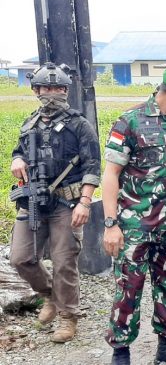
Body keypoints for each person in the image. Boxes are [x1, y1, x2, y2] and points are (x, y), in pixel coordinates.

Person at [102, 65, 166, 365]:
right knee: (128, 288)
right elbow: (111, 175)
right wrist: (111, 224)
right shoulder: (130, 121)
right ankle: (121, 351)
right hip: (136, 225)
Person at [9, 62, 101, 343]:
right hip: (34, 200)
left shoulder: (79, 125)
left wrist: (85, 202)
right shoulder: (30, 123)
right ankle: (50, 295)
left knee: (64, 262)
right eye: (46, 87)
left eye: (58, 88)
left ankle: (68, 316)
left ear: (66, 90)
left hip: (66, 203)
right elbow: (18, 150)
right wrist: (17, 159)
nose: (52, 93)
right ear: (35, 90)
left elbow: (93, 164)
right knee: (20, 258)